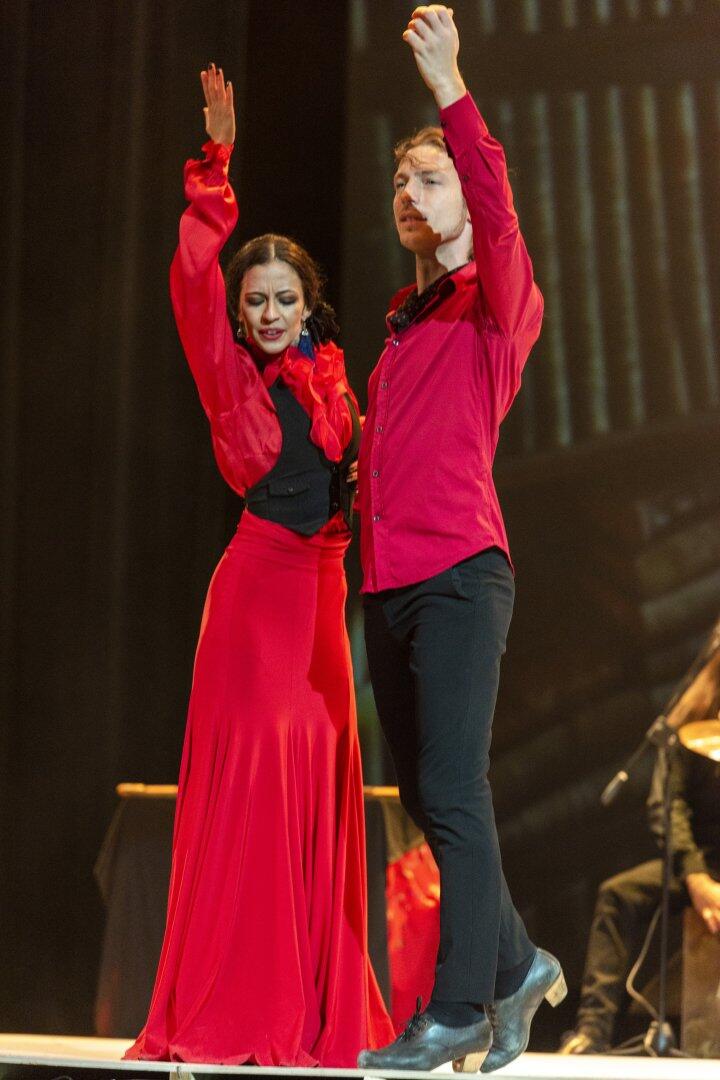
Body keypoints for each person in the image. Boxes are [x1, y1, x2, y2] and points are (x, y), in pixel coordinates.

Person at [124, 64, 394, 1067]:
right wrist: (215, 169)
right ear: (239, 315)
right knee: (259, 797)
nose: (269, 312)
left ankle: (315, 1002)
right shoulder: (231, 373)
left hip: (323, 606)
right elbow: (192, 276)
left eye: (284, 296)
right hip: (255, 603)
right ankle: (244, 1005)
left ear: (306, 302)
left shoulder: (334, 379)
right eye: (255, 300)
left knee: (318, 789)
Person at [356, 7, 564, 1074]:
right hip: (387, 586)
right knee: (430, 796)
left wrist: (450, 91)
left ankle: (455, 1014)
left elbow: (495, 196)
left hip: (458, 575)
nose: (410, 194)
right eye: (400, 183)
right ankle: (519, 964)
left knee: (455, 788)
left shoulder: (497, 301)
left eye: (427, 180)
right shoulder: (403, 325)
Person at [561, 661, 720, 1054]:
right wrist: (697, 876)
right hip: (698, 862)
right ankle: (593, 1031)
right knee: (618, 893)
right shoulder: (691, 729)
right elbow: (669, 806)